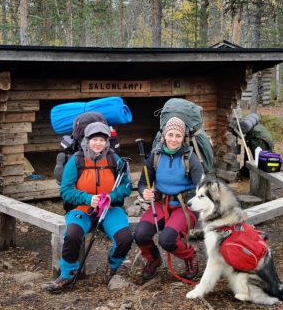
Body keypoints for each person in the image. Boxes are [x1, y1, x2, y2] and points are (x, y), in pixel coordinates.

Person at [44, 122, 133, 293]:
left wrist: (111, 197)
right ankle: (67, 274)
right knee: (72, 235)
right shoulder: (76, 160)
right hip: (82, 209)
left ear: (107, 141)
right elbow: (66, 191)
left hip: (109, 209)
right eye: (94, 139)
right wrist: (87, 198)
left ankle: (112, 266)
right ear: (87, 139)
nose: (98, 143)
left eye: (102, 139)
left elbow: (127, 186)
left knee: (125, 238)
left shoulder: (115, 159)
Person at [134, 117, 204, 282]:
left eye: (178, 135)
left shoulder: (190, 158)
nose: (174, 139)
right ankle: (153, 260)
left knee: (167, 239)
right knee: (141, 234)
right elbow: (144, 182)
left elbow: (202, 187)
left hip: (185, 206)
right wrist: (145, 192)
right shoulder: (155, 156)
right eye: (170, 134)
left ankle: (190, 256)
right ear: (164, 135)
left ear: (183, 137)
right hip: (160, 203)